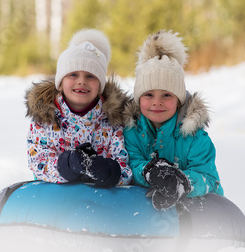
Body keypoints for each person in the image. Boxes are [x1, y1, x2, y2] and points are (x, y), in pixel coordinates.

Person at [123, 30, 224, 209]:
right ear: (138, 99)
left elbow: (208, 178)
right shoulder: (132, 133)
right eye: (148, 94)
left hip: (199, 211)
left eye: (167, 95)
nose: (157, 102)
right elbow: (132, 163)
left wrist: (183, 181)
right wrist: (149, 171)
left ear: (179, 100)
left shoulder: (195, 138)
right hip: (147, 210)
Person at [25, 29, 132, 187]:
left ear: (101, 86)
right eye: (73, 75)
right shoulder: (45, 120)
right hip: (57, 199)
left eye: (90, 76)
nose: (82, 81)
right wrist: (65, 165)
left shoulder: (112, 122)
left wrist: (110, 171)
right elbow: (38, 162)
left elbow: (124, 167)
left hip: (99, 201)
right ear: (60, 83)